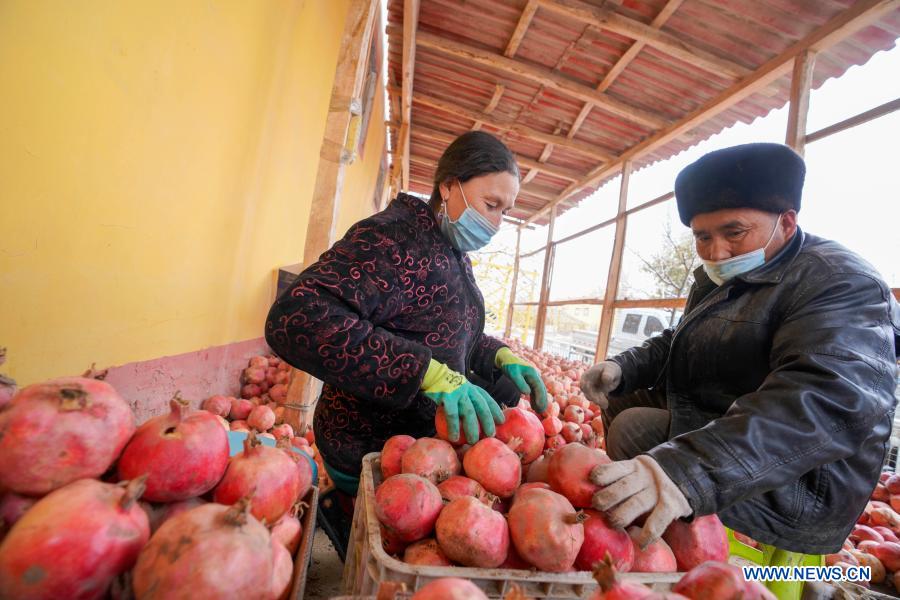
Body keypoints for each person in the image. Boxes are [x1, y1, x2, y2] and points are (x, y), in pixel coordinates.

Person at [580, 143, 900, 555]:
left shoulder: (839, 280)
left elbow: (824, 401)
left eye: (734, 232)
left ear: (786, 221)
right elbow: (681, 340)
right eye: (703, 237)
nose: (717, 252)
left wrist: (684, 469)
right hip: (738, 420)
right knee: (623, 397)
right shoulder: (725, 275)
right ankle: (662, 533)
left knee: (634, 428)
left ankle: (686, 550)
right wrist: (623, 367)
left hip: (805, 474)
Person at [265, 131, 548, 554]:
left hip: (427, 455)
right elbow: (298, 316)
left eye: (506, 211)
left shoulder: (451, 249)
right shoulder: (391, 237)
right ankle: (340, 513)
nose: (496, 222)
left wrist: (499, 355)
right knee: (370, 542)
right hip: (371, 445)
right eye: (491, 205)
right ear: (448, 185)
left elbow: (451, 334)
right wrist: (421, 372)